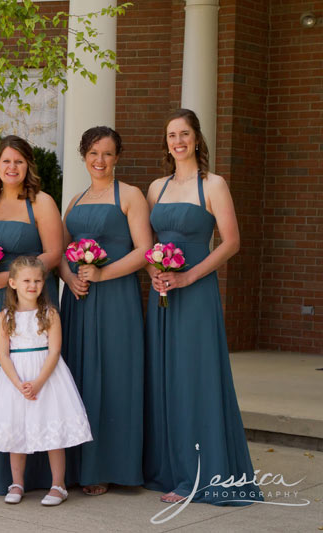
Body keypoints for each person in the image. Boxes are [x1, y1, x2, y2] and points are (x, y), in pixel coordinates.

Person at [144, 108, 260, 505]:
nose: (178, 141)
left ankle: (199, 474)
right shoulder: (155, 188)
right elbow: (149, 244)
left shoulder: (213, 184)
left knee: (194, 378)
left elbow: (231, 242)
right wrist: (155, 275)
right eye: (171, 135)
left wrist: (188, 277)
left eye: (185, 134)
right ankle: (170, 468)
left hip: (195, 293)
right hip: (161, 295)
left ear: (197, 140)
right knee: (164, 377)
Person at [0, 135, 62, 495]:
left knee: (30, 379)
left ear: (28, 167)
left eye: (19, 162)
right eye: (6, 161)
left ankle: (38, 477)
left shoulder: (42, 203)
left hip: (28, 304)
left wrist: (10, 278)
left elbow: (53, 253)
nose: (12, 168)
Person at [58, 126, 151, 496]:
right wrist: (71, 277)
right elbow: (63, 252)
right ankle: (79, 466)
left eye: (108, 154)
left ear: (117, 158)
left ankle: (111, 466)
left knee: (115, 377)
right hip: (78, 302)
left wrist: (101, 274)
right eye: (94, 153)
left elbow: (145, 250)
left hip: (117, 300)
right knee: (79, 377)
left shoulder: (130, 195)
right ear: (84, 156)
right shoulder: (75, 201)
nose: (100, 160)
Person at [0, 256, 92, 506]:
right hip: (14, 378)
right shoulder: (4, 316)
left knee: (53, 428)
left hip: (47, 376)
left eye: (38, 280)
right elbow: (3, 354)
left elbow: (54, 351)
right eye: (26, 280)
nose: (33, 285)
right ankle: (17, 482)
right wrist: (19, 384)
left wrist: (38, 382)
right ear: (13, 283)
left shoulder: (50, 313)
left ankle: (58, 484)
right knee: (16, 429)